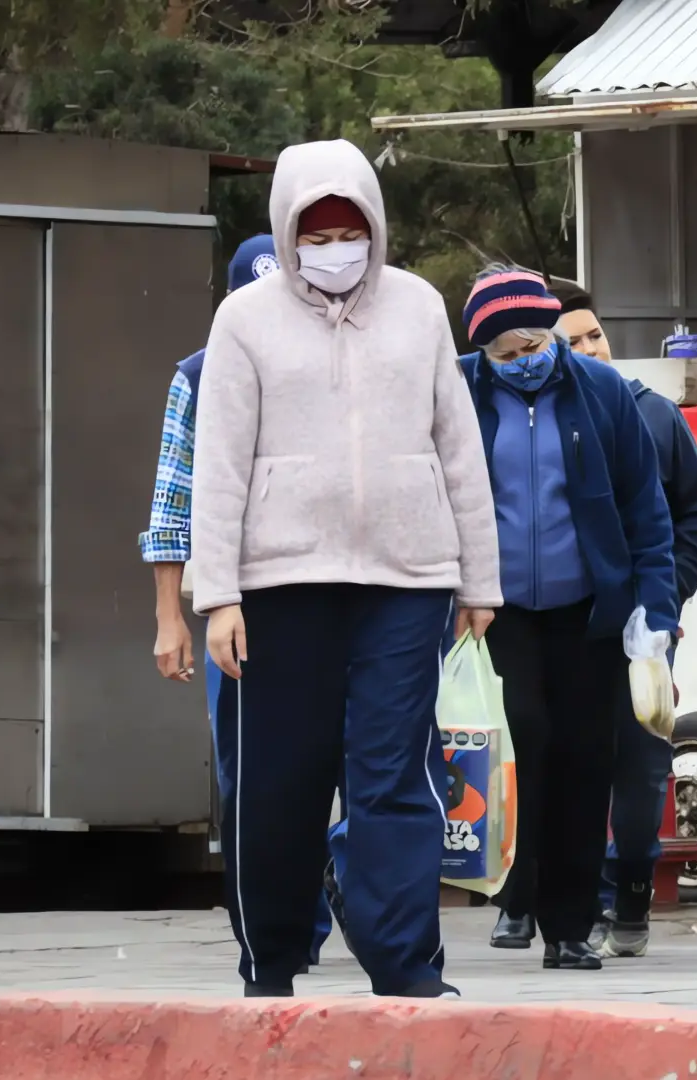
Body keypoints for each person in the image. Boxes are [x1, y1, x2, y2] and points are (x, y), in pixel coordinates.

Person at [188, 138, 501, 1000]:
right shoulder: (242, 324)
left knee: (393, 778)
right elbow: (218, 463)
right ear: (287, 235)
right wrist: (216, 595)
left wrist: (480, 578)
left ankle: (406, 968)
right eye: (315, 234)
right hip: (279, 586)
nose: (335, 248)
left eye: (349, 229)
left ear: (375, 225)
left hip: (407, 581)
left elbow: (458, 444)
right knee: (279, 785)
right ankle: (273, 961)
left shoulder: (417, 307)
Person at [140, 235, 354, 971]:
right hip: (237, 608)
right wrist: (172, 616)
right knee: (251, 776)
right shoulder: (199, 378)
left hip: (335, 597)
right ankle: (266, 929)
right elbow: (172, 504)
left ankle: (336, 906)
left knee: (352, 765)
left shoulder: (337, 361)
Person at [457, 267, 680, 972]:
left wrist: (655, 612)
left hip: (590, 612)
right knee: (530, 750)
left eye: (533, 345)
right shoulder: (460, 392)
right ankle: (521, 899)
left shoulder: (603, 392)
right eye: (506, 353)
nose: (524, 361)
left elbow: (647, 510)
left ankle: (571, 929)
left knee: (588, 762)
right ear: (483, 353)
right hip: (497, 614)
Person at [553, 282, 697, 958]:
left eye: (595, 335)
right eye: (572, 342)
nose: (591, 349)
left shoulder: (653, 414)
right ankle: (578, 900)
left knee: (642, 763)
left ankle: (631, 891)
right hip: (562, 625)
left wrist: (665, 599)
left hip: (646, 630)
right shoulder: (526, 426)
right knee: (572, 763)